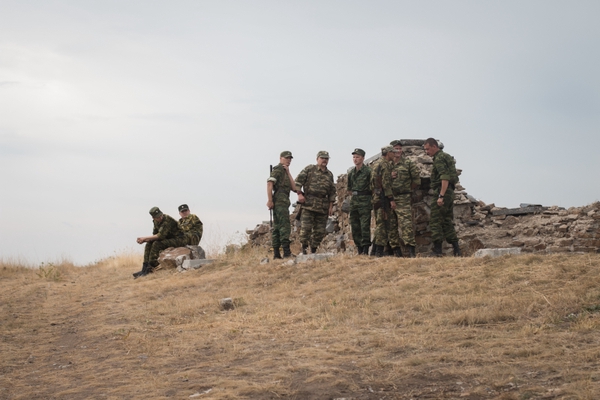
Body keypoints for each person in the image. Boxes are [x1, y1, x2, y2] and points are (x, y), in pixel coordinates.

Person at [423, 138, 461, 256]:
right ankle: (457, 250)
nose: (427, 152)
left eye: (428, 149)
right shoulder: (447, 156)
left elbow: (444, 177)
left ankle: (438, 251)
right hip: (449, 192)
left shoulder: (439, 158)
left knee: (435, 221)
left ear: (435, 146)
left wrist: (441, 195)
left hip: (442, 191)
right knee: (446, 221)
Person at [295, 151, 336, 254]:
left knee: (320, 231)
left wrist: (330, 207)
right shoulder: (309, 169)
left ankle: (313, 250)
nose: (324, 160)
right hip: (308, 204)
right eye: (322, 158)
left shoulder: (329, 174)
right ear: (317, 159)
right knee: (305, 229)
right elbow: (297, 182)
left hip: (322, 206)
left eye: (326, 158)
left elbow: (332, 192)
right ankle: (304, 249)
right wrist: (299, 194)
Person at [133, 207, 186, 278]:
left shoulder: (167, 220)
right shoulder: (155, 222)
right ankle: (145, 268)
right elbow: (155, 235)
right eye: (158, 217)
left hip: (178, 239)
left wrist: (145, 238)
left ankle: (151, 268)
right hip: (167, 239)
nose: (160, 217)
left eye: (160, 215)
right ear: (153, 218)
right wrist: (144, 240)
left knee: (157, 244)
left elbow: (160, 236)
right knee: (149, 244)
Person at [390, 140, 421, 258]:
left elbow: (416, 180)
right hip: (389, 197)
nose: (397, 151)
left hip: (403, 197)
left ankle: (411, 252)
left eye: (399, 149)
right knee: (391, 225)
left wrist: (407, 189)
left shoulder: (408, 163)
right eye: (395, 149)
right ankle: (396, 252)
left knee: (406, 224)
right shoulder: (387, 164)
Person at [370, 145, 400, 257]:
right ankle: (378, 251)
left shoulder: (376, 164)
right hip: (383, 198)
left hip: (375, 197)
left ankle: (373, 251)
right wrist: (391, 199)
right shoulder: (385, 165)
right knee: (383, 224)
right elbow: (386, 184)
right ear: (388, 153)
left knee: (379, 223)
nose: (395, 154)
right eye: (393, 152)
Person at [267, 151, 297, 259]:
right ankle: (286, 252)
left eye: (290, 158)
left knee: (278, 227)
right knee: (284, 226)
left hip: (283, 201)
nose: (288, 160)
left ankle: (276, 254)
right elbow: (270, 183)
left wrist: (288, 173)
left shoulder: (284, 171)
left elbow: (294, 188)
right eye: (286, 158)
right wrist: (270, 200)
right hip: (279, 201)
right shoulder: (278, 170)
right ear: (281, 158)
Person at [347, 148, 372, 255]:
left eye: (357, 157)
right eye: (354, 157)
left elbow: (373, 186)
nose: (355, 159)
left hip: (365, 201)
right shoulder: (352, 173)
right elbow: (349, 189)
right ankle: (359, 249)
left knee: (365, 226)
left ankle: (365, 250)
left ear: (363, 158)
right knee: (355, 226)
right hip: (354, 202)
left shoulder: (368, 171)